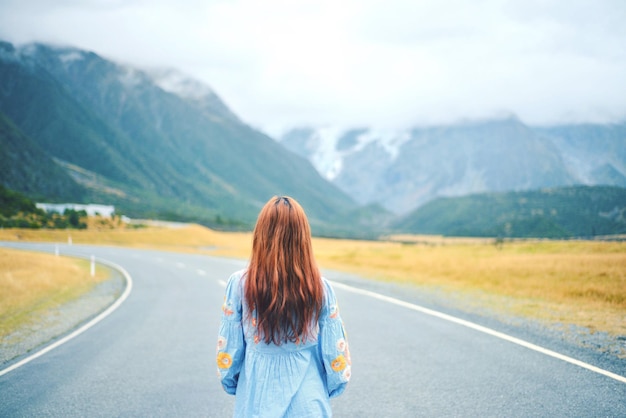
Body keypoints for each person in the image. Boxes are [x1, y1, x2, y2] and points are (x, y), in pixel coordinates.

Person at [216, 196, 351, 417]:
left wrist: (231, 380)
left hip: (256, 395)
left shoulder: (239, 284)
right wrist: (332, 384)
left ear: (261, 235)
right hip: (308, 398)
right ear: (303, 239)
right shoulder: (320, 287)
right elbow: (334, 352)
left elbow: (229, 348)